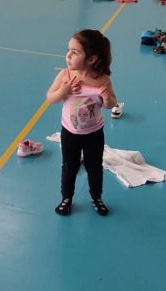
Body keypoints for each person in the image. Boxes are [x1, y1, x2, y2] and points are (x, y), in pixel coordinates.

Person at [46, 29, 117, 216]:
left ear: (91, 59)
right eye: (68, 50)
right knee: (69, 166)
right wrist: (64, 91)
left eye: (75, 52)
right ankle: (66, 197)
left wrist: (107, 97)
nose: (68, 55)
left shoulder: (102, 80)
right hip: (69, 133)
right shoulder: (65, 76)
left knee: (95, 167)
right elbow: (50, 97)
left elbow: (112, 104)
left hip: (94, 134)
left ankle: (96, 197)